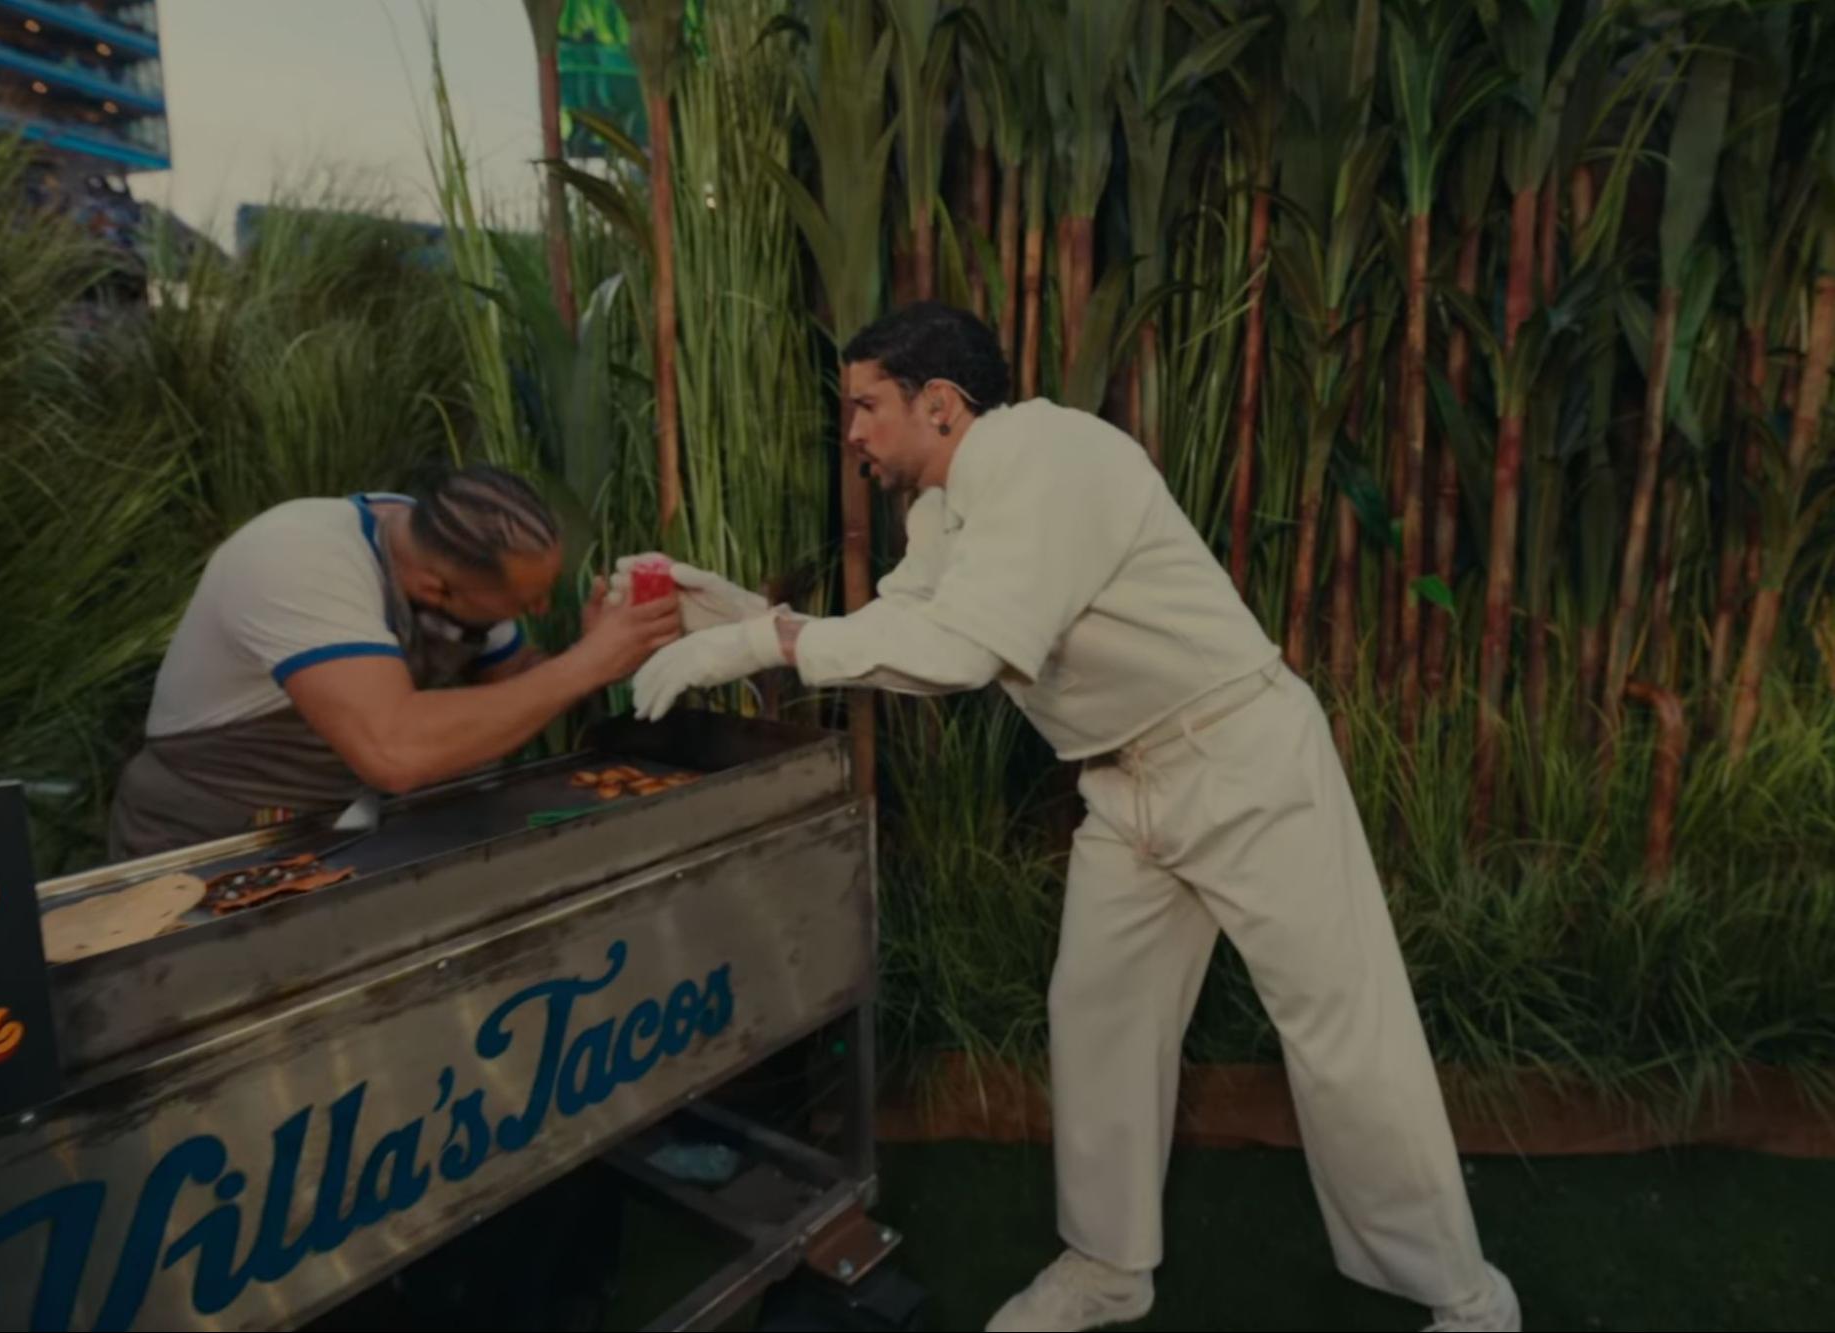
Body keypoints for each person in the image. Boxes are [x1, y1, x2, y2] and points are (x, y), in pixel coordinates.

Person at [617, 302, 1521, 1333]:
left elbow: (962, 653)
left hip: (1243, 760)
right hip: (1122, 783)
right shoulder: (942, 513)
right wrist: (727, 612)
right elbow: (893, 635)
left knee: (1342, 1031)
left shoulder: (1051, 455)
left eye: (867, 407)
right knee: (1096, 1016)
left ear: (941, 404)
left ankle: (1465, 1299)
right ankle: (1107, 1268)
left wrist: (752, 648)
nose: (854, 432)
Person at [109, 462, 680, 859]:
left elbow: (516, 687)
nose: (541, 608)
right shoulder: (298, 562)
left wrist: (601, 655)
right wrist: (582, 666)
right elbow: (395, 751)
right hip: (206, 838)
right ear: (435, 588)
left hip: (335, 829)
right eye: (526, 601)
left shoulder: (453, 545)